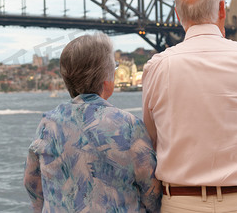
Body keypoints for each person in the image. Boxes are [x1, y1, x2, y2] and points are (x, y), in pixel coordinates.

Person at [142, 0, 237, 212]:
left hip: (183, 202)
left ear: (177, 14)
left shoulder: (157, 67)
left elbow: (151, 137)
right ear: (222, 9)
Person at [23, 33, 161, 212]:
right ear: (106, 79)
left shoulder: (47, 125)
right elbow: (152, 191)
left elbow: (31, 183)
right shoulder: (128, 126)